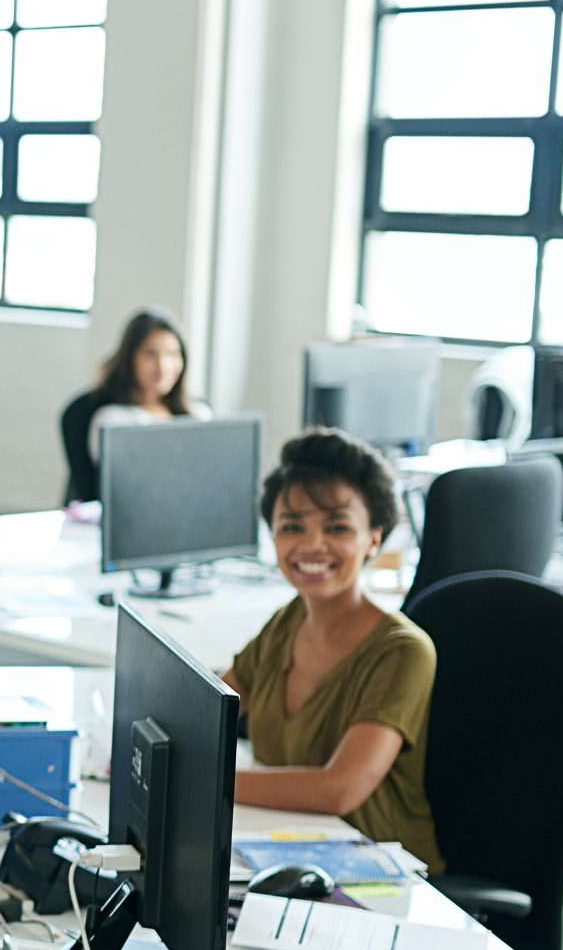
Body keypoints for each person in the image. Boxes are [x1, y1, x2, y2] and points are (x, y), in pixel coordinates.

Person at [224, 429, 443, 869]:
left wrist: (208, 779)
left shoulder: (403, 652)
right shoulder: (288, 621)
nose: (311, 545)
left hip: (380, 874)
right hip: (285, 850)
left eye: (337, 527)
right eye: (292, 527)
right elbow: (208, 708)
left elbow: (339, 788)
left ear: (374, 539)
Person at [86, 308, 211, 455]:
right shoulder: (113, 421)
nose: (162, 367)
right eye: (150, 354)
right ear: (129, 358)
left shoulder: (199, 413)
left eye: (173, 354)